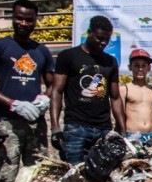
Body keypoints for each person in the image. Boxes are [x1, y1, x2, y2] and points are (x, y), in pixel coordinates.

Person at [0, 0, 54, 182]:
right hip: (8, 121)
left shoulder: (41, 51)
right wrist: (11, 103)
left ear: (35, 20)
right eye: (19, 18)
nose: (24, 23)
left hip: (35, 122)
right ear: (13, 18)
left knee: (38, 176)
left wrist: (46, 97)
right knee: (6, 177)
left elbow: (53, 84)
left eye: (29, 20)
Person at [50, 15, 126, 163]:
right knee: (75, 175)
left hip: (103, 128)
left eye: (107, 39)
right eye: (99, 38)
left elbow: (115, 97)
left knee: (101, 175)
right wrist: (55, 128)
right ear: (89, 33)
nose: (103, 43)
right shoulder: (68, 56)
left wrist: (122, 129)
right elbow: (57, 91)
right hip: (76, 127)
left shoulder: (110, 62)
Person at [122, 48, 152, 143]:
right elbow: (120, 114)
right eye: (136, 65)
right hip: (133, 135)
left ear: (149, 68)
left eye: (143, 65)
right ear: (130, 67)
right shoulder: (124, 89)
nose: (140, 69)